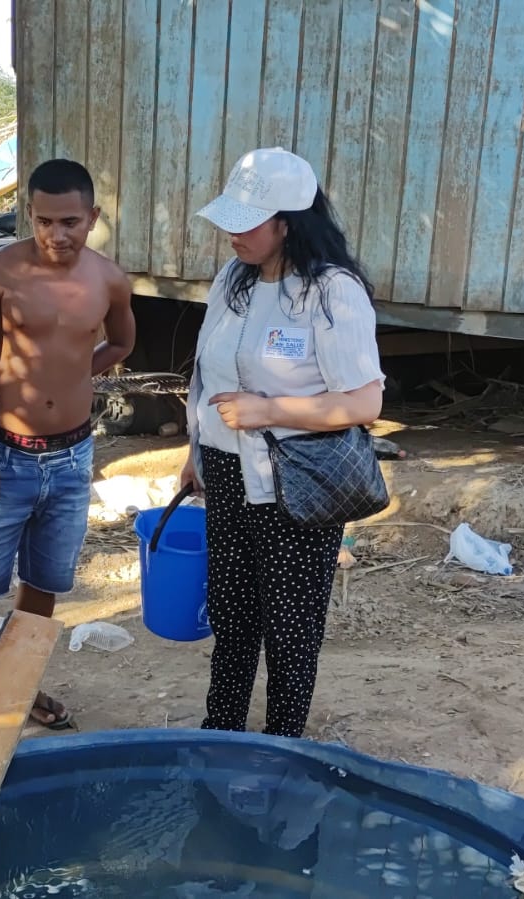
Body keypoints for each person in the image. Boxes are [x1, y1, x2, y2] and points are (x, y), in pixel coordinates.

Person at [178, 147, 384, 739]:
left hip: (295, 480)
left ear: (288, 224)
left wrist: (269, 410)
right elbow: (206, 375)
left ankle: (282, 745)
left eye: (248, 222)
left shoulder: (332, 292)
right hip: (224, 470)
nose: (232, 233)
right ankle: (221, 730)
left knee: (291, 627)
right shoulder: (233, 280)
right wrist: (195, 452)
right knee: (232, 613)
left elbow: (364, 403)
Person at [0, 158, 135, 729]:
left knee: (43, 584)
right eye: (43, 222)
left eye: (70, 222)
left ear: (93, 217)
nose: (56, 235)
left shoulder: (108, 279)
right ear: (29, 215)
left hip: (71, 459)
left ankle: (15, 691)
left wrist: (75, 378)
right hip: (3, 455)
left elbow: (121, 343)